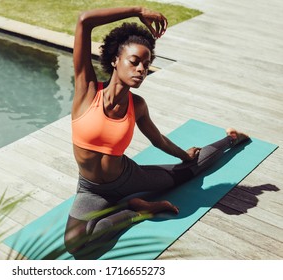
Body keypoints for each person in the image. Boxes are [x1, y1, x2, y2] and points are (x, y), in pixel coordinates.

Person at [64, 7, 249, 258]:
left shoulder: (136, 105)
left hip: (128, 177)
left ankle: (232, 138)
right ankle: (136, 211)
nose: (142, 69)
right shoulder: (86, 91)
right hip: (91, 189)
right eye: (135, 61)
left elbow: (157, 139)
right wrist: (138, 10)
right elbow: (84, 21)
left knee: (191, 169)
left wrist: (184, 156)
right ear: (115, 60)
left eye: (146, 64)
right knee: (75, 246)